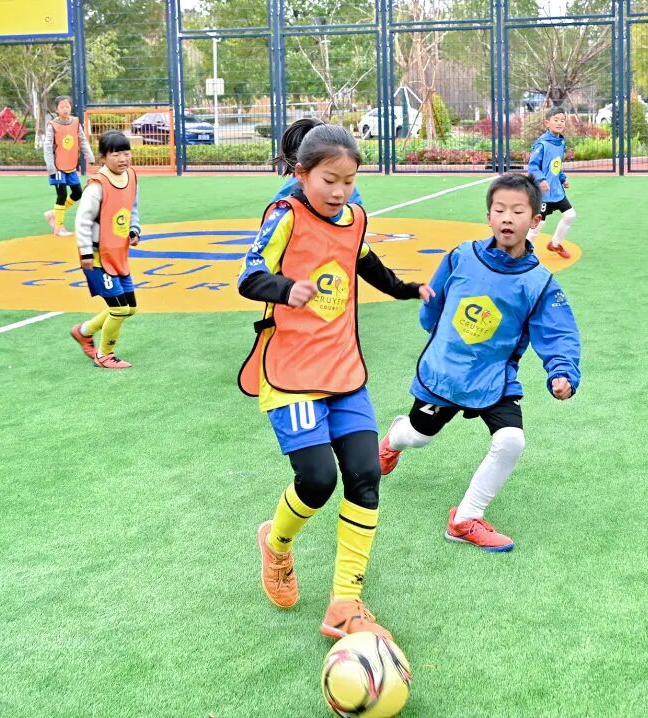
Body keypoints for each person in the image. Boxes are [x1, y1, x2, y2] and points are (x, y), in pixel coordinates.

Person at [237, 125, 433, 640]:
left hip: (344, 371)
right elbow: (249, 276)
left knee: (365, 475)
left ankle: (344, 603)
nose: (340, 191)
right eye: (330, 180)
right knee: (319, 480)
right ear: (302, 174)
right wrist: (286, 289)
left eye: (349, 181)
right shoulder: (285, 214)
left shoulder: (356, 218)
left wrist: (406, 289)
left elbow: (363, 261)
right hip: (292, 374)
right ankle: (276, 545)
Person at [378, 173, 581, 551]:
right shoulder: (461, 256)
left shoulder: (539, 282)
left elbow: (559, 333)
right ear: (488, 217)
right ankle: (392, 440)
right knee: (419, 435)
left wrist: (563, 372)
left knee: (511, 441)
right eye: (499, 210)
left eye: (517, 211)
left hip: (494, 377)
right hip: (447, 372)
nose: (507, 218)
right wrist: (442, 339)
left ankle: (465, 518)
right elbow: (433, 304)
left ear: (536, 220)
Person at [69, 131, 141, 369]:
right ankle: (104, 355)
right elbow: (82, 221)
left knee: (130, 308)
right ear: (102, 158)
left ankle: (83, 332)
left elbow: (132, 207)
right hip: (98, 257)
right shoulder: (97, 185)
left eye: (126, 153)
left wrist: (134, 229)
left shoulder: (131, 176)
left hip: (118, 254)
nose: (123, 159)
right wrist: (86, 252)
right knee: (119, 309)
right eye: (116, 154)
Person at [271, 118, 364, 206]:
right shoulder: (283, 209)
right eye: (329, 181)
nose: (339, 193)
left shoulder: (353, 209)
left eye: (348, 181)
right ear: (300, 172)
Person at [526, 107, 576, 258]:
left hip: (556, 191)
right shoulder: (542, 144)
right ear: (547, 123)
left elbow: (556, 165)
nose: (560, 123)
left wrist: (563, 178)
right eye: (556, 120)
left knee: (570, 215)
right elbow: (533, 167)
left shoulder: (561, 143)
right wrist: (541, 180)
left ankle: (555, 244)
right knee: (538, 224)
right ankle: (524, 252)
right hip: (543, 194)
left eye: (562, 120)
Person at [43, 95, 96, 236]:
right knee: (62, 195)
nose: (65, 109)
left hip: (70, 166)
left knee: (77, 193)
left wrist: (90, 156)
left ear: (71, 107)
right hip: (57, 167)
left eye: (67, 106)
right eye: (62, 107)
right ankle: (58, 227)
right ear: (56, 109)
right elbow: (47, 147)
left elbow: (82, 140)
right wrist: (51, 167)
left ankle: (53, 213)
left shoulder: (76, 123)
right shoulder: (52, 125)